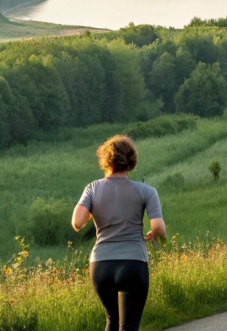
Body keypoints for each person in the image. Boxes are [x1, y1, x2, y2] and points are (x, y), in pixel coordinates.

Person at [73, 136, 165, 331]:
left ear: (105, 160)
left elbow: (77, 222)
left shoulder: (92, 188)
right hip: (132, 262)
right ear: (131, 161)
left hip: (100, 265)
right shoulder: (146, 191)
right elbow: (158, 226)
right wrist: (153, 234)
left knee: (112, 321)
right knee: (129, 326)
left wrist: (96, 210)